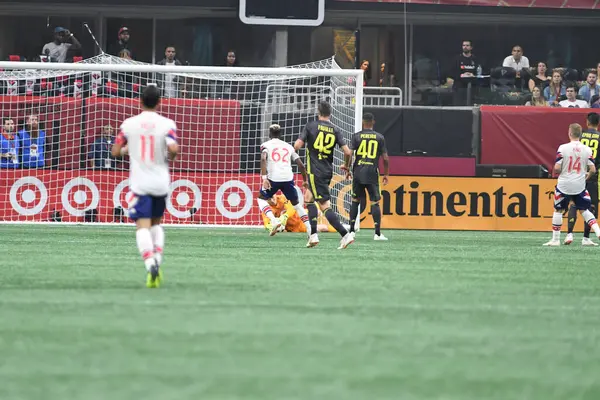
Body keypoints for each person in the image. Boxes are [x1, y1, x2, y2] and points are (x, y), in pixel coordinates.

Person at [111, 85, 179, 288]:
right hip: (160, 182)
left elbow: (115, 151)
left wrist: (127, 150)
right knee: (156, 224)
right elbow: (174, 148)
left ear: (140, 101)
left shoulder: (129, 124)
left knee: (142, 225)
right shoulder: (167, 123)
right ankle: (157, 260)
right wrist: (169, 157)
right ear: (159, 102)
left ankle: (150, 264)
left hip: (140, 184)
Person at [294, 101, 354, 249]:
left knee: (324, 205)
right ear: (330, 113)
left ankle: (345, 235)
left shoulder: (310, 126)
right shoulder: (335, 129)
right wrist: (346, 166)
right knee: (308, 198)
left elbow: (297, 146)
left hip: (315, 171)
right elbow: (347, 152)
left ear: (318, 112)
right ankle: (313, 236)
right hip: (327, 170)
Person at [544, 123, 600, 246]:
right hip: (579, 184)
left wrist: (557, 170)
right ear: (580, 135)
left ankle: (556, 239)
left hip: (564, 183)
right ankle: (597, 231)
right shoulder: (587, 149)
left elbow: (558, 168)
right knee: (585, 210)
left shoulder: (563, 148)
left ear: (569, 133)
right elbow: (593, 169)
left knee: (558, 210)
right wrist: (587, 176)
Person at [257, 123, 311, 236]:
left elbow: (263, 158)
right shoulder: (289, 146)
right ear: (280, 134)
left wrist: (264, 178)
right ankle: (311, 231)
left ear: (269, 134)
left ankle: (274, 220)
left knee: (261, 199)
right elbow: (301, 165)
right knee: (296, 205)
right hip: (288, 178)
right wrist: (305, 180)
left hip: (273, 178)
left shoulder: (265, 145)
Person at [347, 113, 390, 241]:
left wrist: (347, 168)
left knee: (355, 200)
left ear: (362, 122)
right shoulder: (379, 137)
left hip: (358, 171)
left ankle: (351, 231)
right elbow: (386, 158)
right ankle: (377, 234)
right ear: (373, 122)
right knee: (375, 202)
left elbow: (349, 153)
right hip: (372, 171)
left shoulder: (356, 136)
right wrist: (386, 174)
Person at [565, 113, 600, 245]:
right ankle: (586, 238)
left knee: (574, 204)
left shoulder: (581, 135)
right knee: (591, 206)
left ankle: (569, 234)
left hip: (577, 174)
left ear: (587, 122)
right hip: (592, 176)